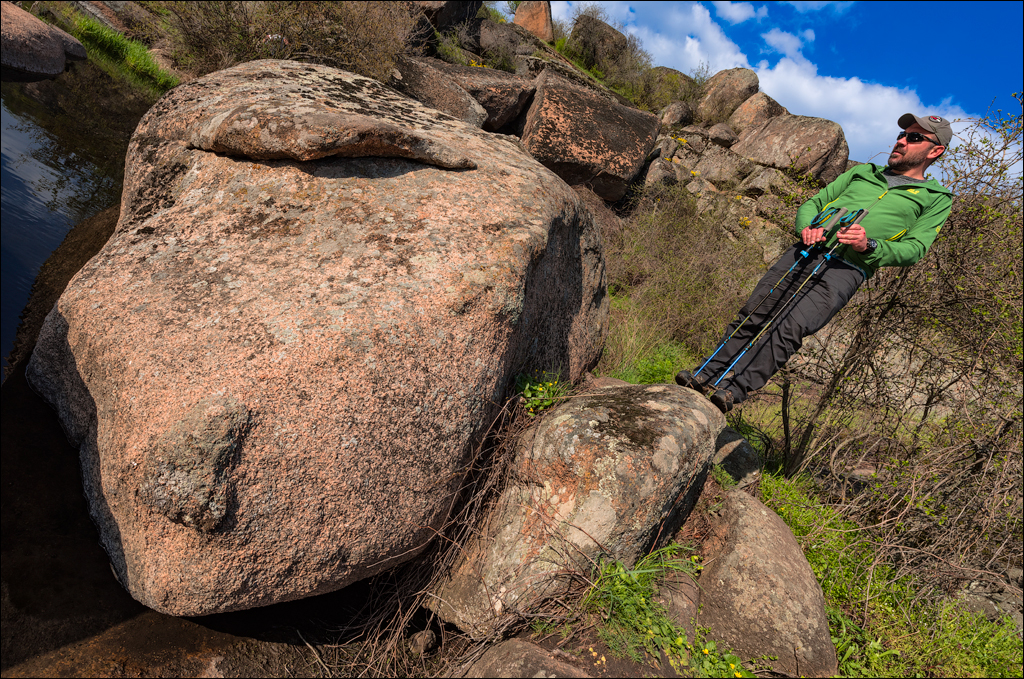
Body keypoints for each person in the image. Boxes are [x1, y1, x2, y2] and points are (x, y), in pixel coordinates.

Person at [676, 113, 954, 413]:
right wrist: (807, 226)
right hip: (807, 250)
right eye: (902, 135)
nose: (901, 141)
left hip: (847, 270)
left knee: (790, 328)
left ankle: (733, 390)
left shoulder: (936, 198)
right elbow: (813, 203)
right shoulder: (862, 172)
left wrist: (869, 245)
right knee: (755, 312)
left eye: (913, 137)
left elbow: (916, 248)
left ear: (935, 150)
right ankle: (705, 373)